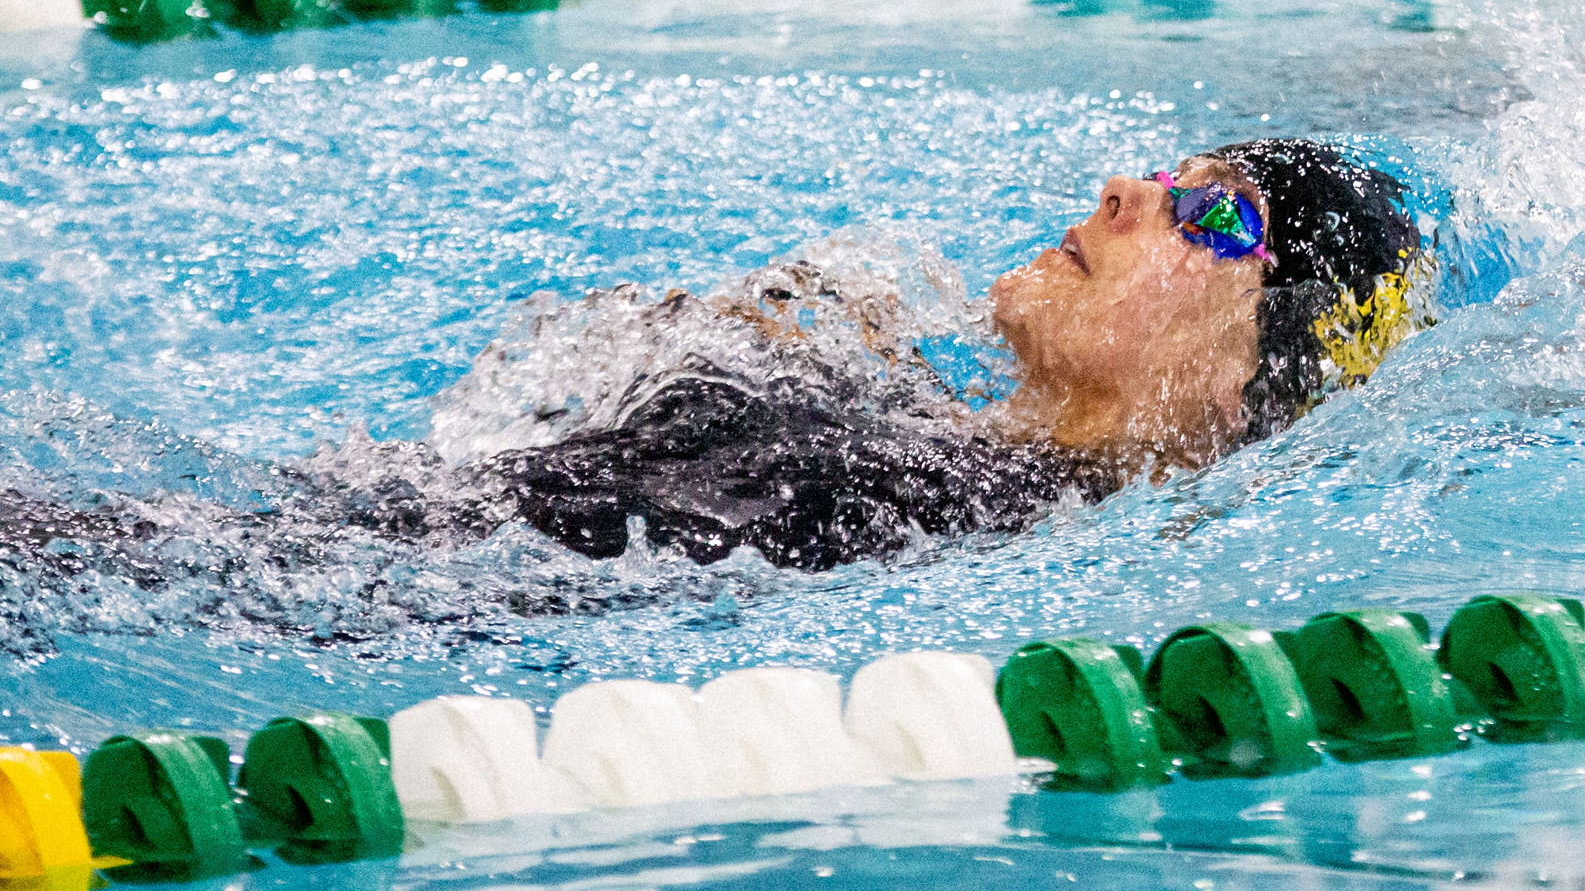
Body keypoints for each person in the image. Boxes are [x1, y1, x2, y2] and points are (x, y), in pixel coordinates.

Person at [479, 138, 1436, 570]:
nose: (1120, 191)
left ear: (1246, 382)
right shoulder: (913, 426)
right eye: (1162, 177)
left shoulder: (934, 514)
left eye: (1214, 215)